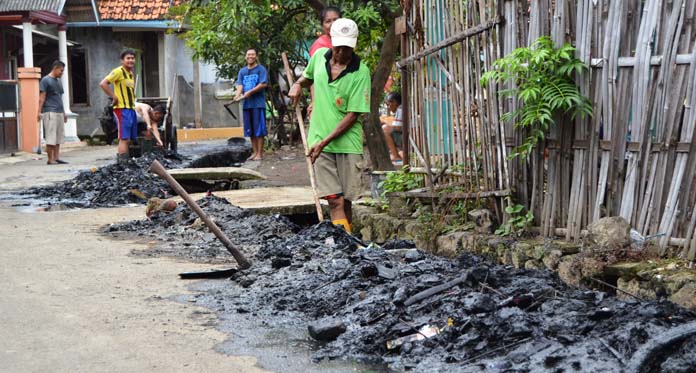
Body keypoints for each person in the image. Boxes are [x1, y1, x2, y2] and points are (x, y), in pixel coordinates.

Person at [288, 18, 371, 234]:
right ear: (331, 41)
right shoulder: (318, 58)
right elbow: (306, 78)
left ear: (354, 45)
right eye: (338, 47)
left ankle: (347, 241)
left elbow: (353, 115)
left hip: (347, 144)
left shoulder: (360, 72)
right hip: (319, 141)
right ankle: (342, 247)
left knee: (347, 201)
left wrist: (325, 142)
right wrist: (297, 85)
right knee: (334, 201)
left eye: (347, 48)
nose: (341, 53)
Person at [99, 50, 137, 165]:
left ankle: (126, 161)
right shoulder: (118, 71)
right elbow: (103, 83)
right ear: (122, 60)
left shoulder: (130, 73)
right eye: (128, 58)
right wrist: (114, 97)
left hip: (131, 109)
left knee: (129, 138)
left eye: (132, 58)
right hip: (121, 109)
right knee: (124, 138)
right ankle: (122, 163)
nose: (130, 60)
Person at [234, 48, 268, 161]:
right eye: (248, 54)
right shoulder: (242, 71)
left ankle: (259, 153)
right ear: (245, 57)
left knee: (259, 130)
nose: (250, 56)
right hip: (247, 105)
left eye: (253, 54)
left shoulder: (261, 69)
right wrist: (237, 95)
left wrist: (250, 92)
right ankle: (254, 152)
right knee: (250, 130)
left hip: (258, 104)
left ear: (256, 56)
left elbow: (263, 84)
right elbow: (240, 85)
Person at [307, 6, 341, 118]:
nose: (333, 24)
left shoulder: (347, 42)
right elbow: (314, 76)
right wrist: (315, 101)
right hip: (326, 97)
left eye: (336, 20)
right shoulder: (320, 46)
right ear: (322, 25)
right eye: (328, 21)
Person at [38, 60, 68, 165]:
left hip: (59, 112)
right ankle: (50, 159)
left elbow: (60, 97)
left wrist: (64, 112)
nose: (62, 73)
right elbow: (42, 97)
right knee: (51, 137)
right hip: (49, 111)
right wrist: (39, 112)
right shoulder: (45, 80)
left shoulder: (58, 81)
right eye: (61, 70)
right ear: (55, 68)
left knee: (59, 137)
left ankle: (56, 157)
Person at [381, 92, 403, 164]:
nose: (388, 107)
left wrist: (385, 123)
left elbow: (397, 128)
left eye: (388, 104)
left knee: (385, 129)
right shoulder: (401, 108)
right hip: (407, 135)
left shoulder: (400, 109)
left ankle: (396, 156)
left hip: (407, 137)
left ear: (395, 102)